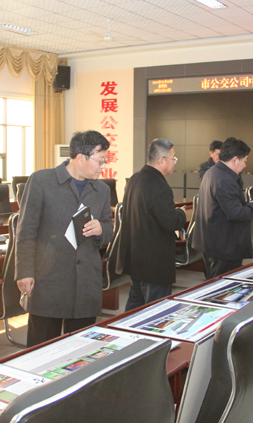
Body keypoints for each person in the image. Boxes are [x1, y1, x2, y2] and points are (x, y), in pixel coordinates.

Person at [16, 130, 114, 347]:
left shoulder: (101, 190)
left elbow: (109, 227)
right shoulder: (42, 181)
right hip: (49, 280)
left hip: (85, 281)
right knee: (41, 349)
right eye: (100, 160)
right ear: (81, 158)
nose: (103, 166)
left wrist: (101, 230)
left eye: (105, 161)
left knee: (79, 351)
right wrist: (24, 272)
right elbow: (26, 231)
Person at [116, 139, 187, 311]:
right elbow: (170, 221)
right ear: (161, 160)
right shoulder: (159, 185)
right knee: (156, 312)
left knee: (134, 309)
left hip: (136, 259)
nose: (175, 162)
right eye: (173, 158)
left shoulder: (134, 179)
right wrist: (181, 213)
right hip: (155, 263)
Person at [191, 137, 253, 280]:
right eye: (245, 160)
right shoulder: (225, 180)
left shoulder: (212, 172)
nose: (245, 165)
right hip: (224, 246)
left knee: (212, 281)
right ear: (235, 160)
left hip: (211, 241)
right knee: (222, 285)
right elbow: (236, 213)